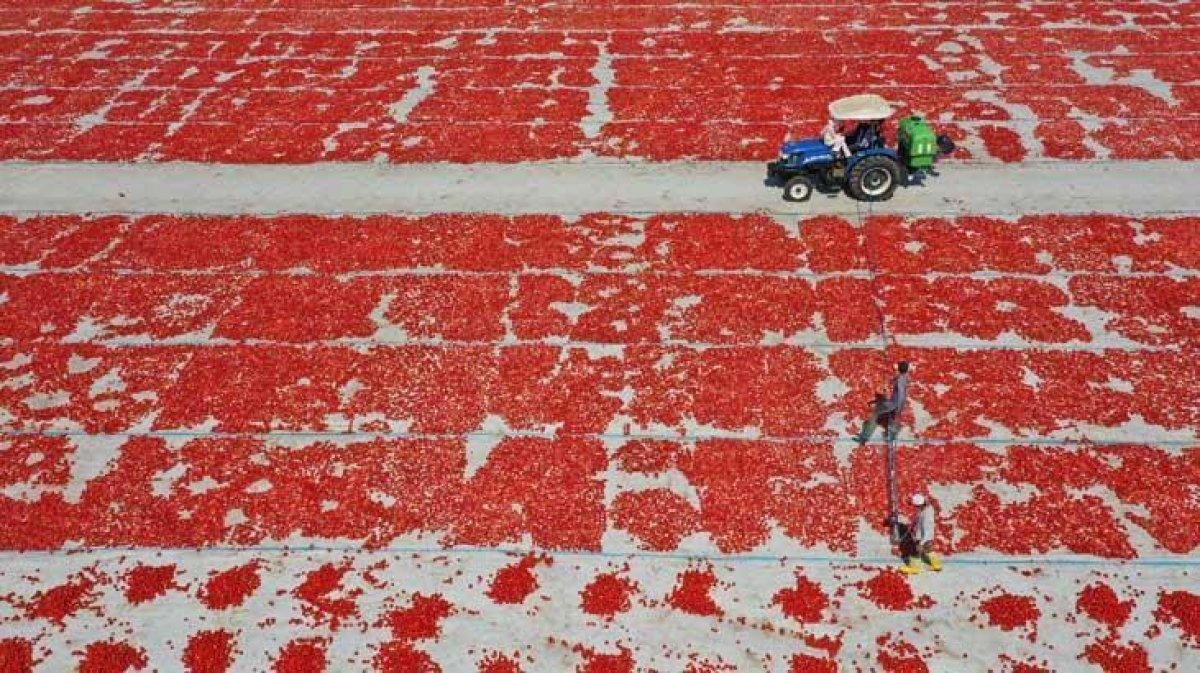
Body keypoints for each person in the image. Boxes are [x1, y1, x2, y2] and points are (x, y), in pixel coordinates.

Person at [853, 361, 910, 444]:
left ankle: (864, 438)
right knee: (886, 417)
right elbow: (895, 385)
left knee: (874, 416)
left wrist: (899, 408)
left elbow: (901, 394)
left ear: (899, 368)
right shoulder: (903, 377)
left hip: (893, 404)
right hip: (894, 403)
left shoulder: (900, 380)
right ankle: (888, 435)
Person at [899, 493, 941, 574]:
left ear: (919, 505)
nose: (915, 507)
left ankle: (914, 569)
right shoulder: (928, 508)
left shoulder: (925, 516)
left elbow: (926, 530)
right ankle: (937, 566)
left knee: (915, 552)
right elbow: (919, 516)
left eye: (916, 506)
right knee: (929, 550)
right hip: (928, 537)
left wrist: (921, 542)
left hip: (923, 537)